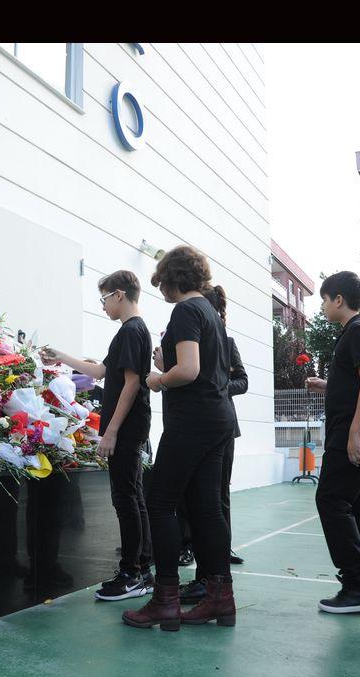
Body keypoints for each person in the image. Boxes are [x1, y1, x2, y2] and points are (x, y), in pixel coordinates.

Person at [122, 246, 236, 630]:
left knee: (160, 503)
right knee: (207, 508)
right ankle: (220, 598)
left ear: (173, 278)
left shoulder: (186, 310)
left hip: (192, 421)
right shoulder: (210, 311)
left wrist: (159, 378)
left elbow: (188, 370)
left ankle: (165, 600)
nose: (161, 291)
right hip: (217, 418)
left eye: (162, 283)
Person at [42, 270, 154, 601]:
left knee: (126, 499)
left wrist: (111, 431)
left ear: (119, 295)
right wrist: (61, 356)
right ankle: (141, 570)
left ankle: (131, 574)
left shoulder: (131, 331)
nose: (102, 305)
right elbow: (103, 372)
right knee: (133, 497)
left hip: (127, 427)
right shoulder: (130, 331)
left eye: (104, 298)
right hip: (131, 426)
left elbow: (131, 384)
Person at [304, 271, 360, 614]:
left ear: (338, 299)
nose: (323, 306)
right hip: (357, 432)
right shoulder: (358, 331)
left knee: (331, 500)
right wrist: (329, 386)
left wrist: (355, 432)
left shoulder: (357, 331)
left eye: (324, 300)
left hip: (351, 436)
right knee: (356, 507)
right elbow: (359, 381)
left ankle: (358, 585)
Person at [179, 285, 249, 605]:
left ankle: (219, 556)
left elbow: (242, 381)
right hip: (195, 425)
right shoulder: (187, 339)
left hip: (221, 426)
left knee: (218, 495)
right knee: (193, 495)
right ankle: (192, 551)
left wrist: (217, 386)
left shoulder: (227, 343)